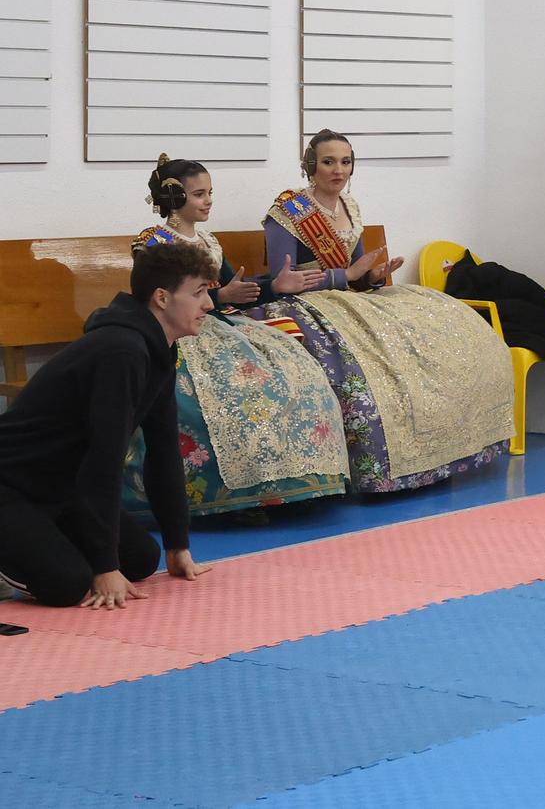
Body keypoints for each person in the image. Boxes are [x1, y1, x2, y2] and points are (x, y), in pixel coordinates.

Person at [258, 130, 515, 492]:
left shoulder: (351, 207)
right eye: (328, 162)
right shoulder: (288, 211)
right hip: (306, 302)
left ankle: (438, 449)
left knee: (432, 322)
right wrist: (344, 275)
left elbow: (358, 277)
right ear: (311, 165)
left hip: (348, 299)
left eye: (345, 162)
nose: (338, 170)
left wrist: (374, 275)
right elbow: (280, 279)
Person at [0, 243, 213, 608]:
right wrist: (103, 564)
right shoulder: (122, 351)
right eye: (198, 293)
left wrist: (178, 545)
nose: (208, 304)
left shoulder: (159, 348)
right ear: (162, 298)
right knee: (67, 584)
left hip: (59, 488)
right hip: (11, 484)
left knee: (141, 558)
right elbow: (104, 458)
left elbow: (163, 450)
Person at [130, 157, 346, 515]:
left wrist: (273, 286)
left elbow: (236, 289)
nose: (208, 200)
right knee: (230, 390)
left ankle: (291, 482)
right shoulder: (153, 243)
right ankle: (234, 493)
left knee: (294, 373)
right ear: (172, 197)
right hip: (182, 332)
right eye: (199, 194)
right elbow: (155, 298)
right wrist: (218, 298)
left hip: (226, 325)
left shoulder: (208, 241)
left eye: (210, 192)